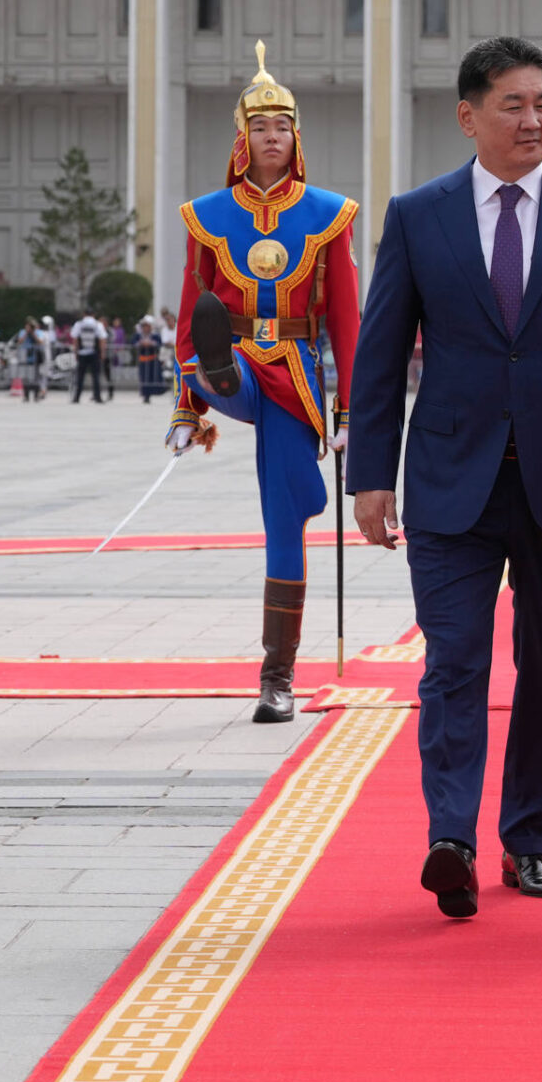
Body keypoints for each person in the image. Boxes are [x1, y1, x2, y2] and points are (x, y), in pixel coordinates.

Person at [349, 34, 542, 919]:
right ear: (468, 116)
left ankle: (529, 842)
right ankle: (449, 836)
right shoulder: (418, 216)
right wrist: (369, 474)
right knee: (453, 660)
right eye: (514, 105)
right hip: (451, 478)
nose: (535, 121)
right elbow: (379, 354)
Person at [169, 43, 363, 725]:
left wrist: (352, 411)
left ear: (296, 137)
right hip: (235, 365)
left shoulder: (329, 214)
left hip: (298, 378)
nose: (271, 137)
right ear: (242, 138)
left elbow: (346, 318)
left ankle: (276, 679)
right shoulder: (207, 216)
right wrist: (187, 407)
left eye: (282, 127)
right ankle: (217, 376)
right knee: (216, 351)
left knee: (285, 526)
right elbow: (192, 306)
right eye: (260, 127)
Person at [70, 310, 108, 402]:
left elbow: (75, 339)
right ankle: (97, 397)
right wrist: (102, 353)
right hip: (94, 353)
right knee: (96, 376)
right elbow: (102, 339)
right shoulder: (97, 324)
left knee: (80, 377)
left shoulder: (79, 324)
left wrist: (75, 352)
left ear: (84, 314)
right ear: (93, 314)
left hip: (82, 353)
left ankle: (76, 397)